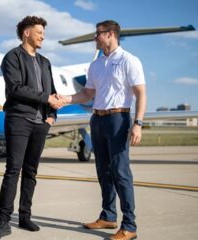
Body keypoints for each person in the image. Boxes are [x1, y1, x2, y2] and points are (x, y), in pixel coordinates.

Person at [55, 20, 146, 240]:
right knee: (103, 171)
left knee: (120, 172)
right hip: (97, 119)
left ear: (111, 34)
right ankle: (108, 216)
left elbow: (141, 93)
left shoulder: (128, 60)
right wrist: (65, 99)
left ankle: (130, 226)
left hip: (118, 118)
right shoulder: (95, 65)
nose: (94, 38)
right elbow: (87, 94)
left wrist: (138, 123)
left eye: (98, 34)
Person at [0, 16, 61, 240]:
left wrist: (51, 117)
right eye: (39, 32)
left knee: (31, 172)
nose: (43, 37)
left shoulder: (45, 61)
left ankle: (25, 216)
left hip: (41, 124)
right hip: (19, 119)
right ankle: (2, 222)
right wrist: (47, 99)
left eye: (44, 33)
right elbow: (17, 88)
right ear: (26, 32)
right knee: (13, 170)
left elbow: (53, 91)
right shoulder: (12, 57)